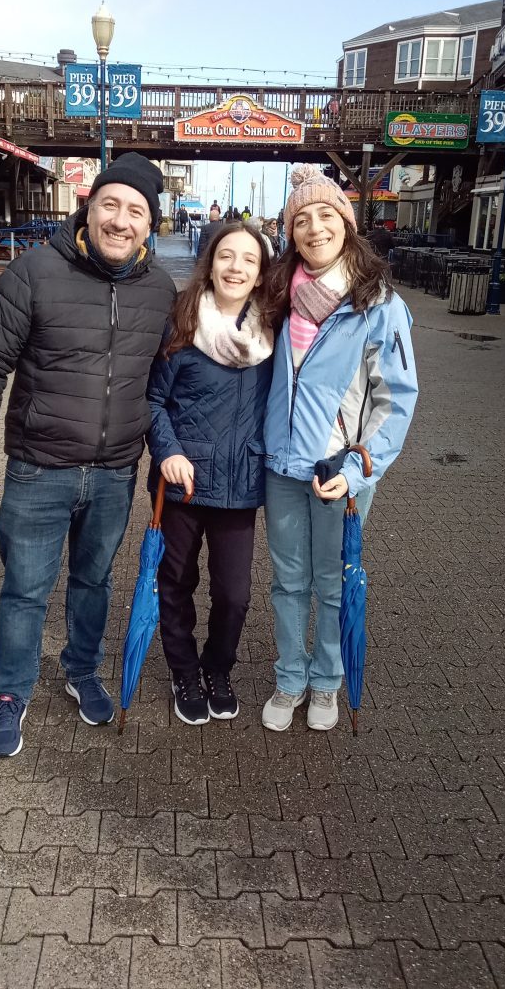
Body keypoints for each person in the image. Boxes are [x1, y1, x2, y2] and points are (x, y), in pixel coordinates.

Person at [0, 153, 175, 758]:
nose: (121, 221)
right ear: (89, 207)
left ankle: (81, 670)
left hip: (114, 473)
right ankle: (9, 693)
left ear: (151, 223)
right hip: (38, 468)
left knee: (93, 580)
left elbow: (166, 383)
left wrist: (174, 451)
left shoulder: (160, 290)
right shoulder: (35, 272)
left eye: (136, 211)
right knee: (25, 589)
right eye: (111, 205)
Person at [260, 164, 418, 733]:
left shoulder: (378, 303)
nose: (314, 228)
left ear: (347, 225)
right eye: (301, 220)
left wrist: (357, 467)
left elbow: (396, 400)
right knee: (287, 582)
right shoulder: (277, 294)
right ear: (291, 232)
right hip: (281, 465)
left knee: (332, 583)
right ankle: (289, 677)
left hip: (338, 472)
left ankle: (326, 681)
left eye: (326, 215)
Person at [147, 223, 279, 724]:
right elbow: (154, 398)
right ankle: (184, 671)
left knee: (234, 594)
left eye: (249, 259)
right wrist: (167, 452)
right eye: (226, 255)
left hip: (242, 483)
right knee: (176, 580)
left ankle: (217, 667)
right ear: (211, 261)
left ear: (261, 272)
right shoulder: (182, 320)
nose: (236, 267)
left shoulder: (272, 329)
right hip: (183, 480)